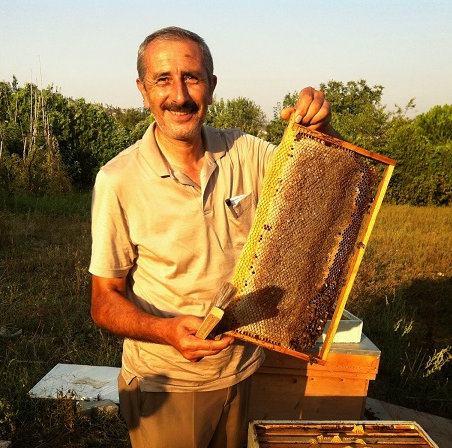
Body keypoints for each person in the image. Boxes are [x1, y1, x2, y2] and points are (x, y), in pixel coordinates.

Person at [89, 26, 339, 448]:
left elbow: (316, 178)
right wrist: (167, 331)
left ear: (212, 85)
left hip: (245, 370)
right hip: (165, 384)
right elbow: (104, 301)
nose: (180, 95)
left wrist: (322, 128)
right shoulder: (118, 179)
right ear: (142, 89)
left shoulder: (246, 151)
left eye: (192, 77)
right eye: (162, 79)